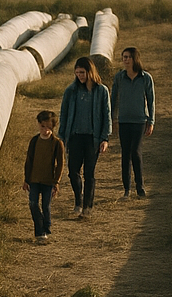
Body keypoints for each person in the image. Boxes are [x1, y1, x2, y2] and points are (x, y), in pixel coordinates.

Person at [59, 56, 111, 218]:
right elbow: (64, 115)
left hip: (92, 138)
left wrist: (105, 138)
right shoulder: (71, 91)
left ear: (90, 72)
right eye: (77, 73)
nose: (80, 76)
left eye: (82, 72)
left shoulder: (102, 91)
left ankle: (87, 206)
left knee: (89, 173)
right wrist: (61, 137)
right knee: (73, 171)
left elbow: (106, 115)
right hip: (75, 136)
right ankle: (78, 201)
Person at [111, 46, 155, 199]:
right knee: (125, 154)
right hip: (124, 120)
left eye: (128, 57)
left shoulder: (145, 78)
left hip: (139, 120)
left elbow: (151, 100)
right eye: (124, 57)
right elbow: (114, 98)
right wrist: (113, 118)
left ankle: (140, 187)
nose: (125, 60)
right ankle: (126, 189)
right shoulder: (119, 77)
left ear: (135, 58)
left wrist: (151, 121)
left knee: (136, 152)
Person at [22, 110, 64, 244]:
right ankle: (40, 230)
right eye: (43, 126)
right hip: (34, 179)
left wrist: (56, 182)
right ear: (38, 125)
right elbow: (29, 160)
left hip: (48, 180)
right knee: (33, 203)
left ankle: (46, 227)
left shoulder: (57, 143)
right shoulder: (34, 141)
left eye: (48, 127)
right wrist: (26, 179)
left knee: (46, 206)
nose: (45, 130)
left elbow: (60, 164)